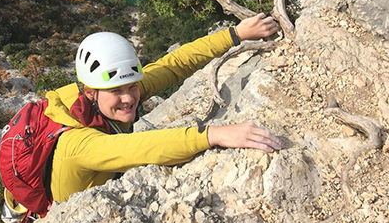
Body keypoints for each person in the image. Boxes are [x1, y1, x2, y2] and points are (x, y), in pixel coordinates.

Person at [44, 13, 282, 204]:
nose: (128, 99)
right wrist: (215, 134)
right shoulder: (77, 145)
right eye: (117, 92)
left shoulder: (105, 92)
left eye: (133, 87)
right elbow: (142, 148)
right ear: (89, 92)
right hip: (77, 215)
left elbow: (174, 64)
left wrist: (236, 34)